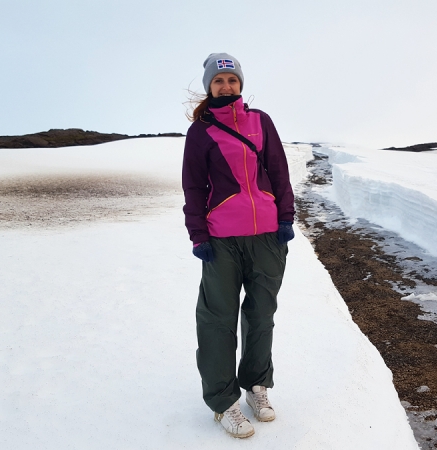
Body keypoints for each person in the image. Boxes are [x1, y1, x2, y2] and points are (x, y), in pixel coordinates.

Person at [182, 53, 295, 439]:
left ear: (240, 84)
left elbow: (279, 171)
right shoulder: (201, 131)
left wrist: (285, 218)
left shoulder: (260, 121)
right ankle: (223, 401)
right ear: (209, 86)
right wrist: (198, 234)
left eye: (231, 80)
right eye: (218, 81)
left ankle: (256, 387)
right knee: (217, 321)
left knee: (261, 316)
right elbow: (193, 186)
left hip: (266, 237)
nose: (225, 86)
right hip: (222, 241)